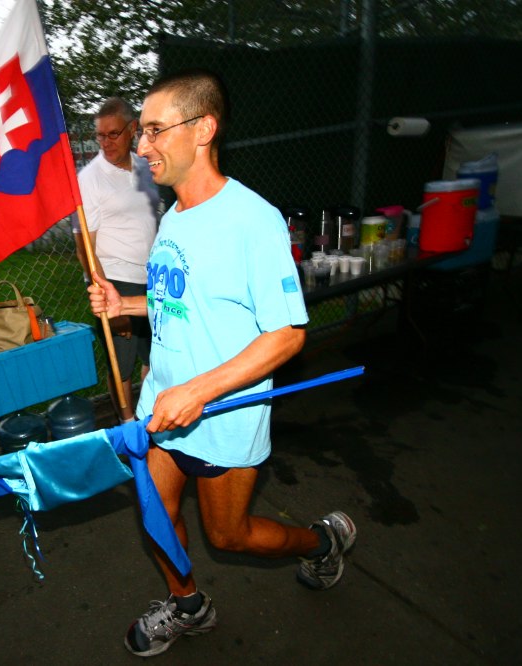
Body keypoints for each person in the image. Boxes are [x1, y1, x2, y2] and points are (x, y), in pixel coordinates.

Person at [88, 69, 356, 658]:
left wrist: (200, 391)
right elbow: (183, 300)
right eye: (141, 132)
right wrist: (125, 304)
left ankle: (321, 543)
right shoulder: (175, 215)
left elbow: (287, 334)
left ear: (203, 129)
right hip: (163, 405)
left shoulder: (252, 220)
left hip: (223, 415)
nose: (141, 146)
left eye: (154, 130)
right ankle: (188, 606)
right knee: (156, 517)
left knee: (230, 536)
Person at [74, 97, 160, 423]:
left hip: (153, 278)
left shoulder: (146, 167)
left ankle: (149, 417)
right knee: (121, 364)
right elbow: (84, 247)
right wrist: (110, 300)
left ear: (132, 129)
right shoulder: (90, 179)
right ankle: (127, 425)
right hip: (116, 281)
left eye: (113, 134)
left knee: (154, 357)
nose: (106, 142)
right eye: (100, 135)